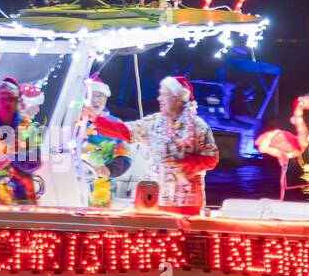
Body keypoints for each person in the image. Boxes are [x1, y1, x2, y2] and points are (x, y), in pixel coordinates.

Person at [93, 75, 218, 214]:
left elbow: (211, 160)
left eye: (165, 95)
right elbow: (126, 131)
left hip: (187, 203)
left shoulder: (198, 126)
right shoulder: (154, 122)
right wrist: (96, 120)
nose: (159, 99)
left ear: (178, 98)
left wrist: (183, 161)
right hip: (154, 199)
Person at [0, 76, 42, 204]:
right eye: (2, 98)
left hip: (23, 202)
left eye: (10, 98)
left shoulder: (28, 128)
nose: (6, 102)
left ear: (17, 102)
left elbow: (34, 163)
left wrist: (11, 154)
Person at [76, 73, 131, 207]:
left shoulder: (115, 124)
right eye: (92, 95)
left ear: (106, 97)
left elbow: (125, 158)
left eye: (100, 95)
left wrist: (109, 170)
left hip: (101, 188)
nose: (96, 100)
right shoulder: (73, 121)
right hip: (73, 183)